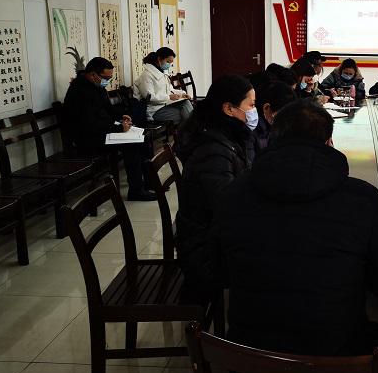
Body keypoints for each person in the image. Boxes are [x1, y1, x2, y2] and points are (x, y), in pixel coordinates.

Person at [213, 99, 378, 371]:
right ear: (329, 142)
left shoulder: (233, 195)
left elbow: (217, 270)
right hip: (337, 364)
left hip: (248, 362)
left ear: (274, 139)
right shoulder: (361, 198)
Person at [175, 75, 256, 302]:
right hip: (206, 252)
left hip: (211, 237)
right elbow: (228, 208)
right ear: (228, 109)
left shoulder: (222, 135)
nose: (254, 112)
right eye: (251, 105)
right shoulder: (213, 151)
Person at [63, 57, 156, 201]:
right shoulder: (78, 92)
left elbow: (107, 108)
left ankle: (149, 183)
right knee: (131, 145)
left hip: (102, 131)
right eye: (106, 78)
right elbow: (89, 124)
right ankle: (136, 191)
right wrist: (118, 128)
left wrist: (121, 116)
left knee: (143, 138)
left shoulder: (97, 86)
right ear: (93, 75)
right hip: (87, 138)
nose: (107, 81)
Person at [133, 47, 193, 124]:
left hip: (165, 105)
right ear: (159, 59)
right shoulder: (146, 76)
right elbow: (149, 97)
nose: (169, 65)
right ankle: (194, 130)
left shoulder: (162, 74)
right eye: (168, 61)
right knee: (185, 114)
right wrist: (168, 97)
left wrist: (182, 94)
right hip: (154, 111)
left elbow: (170, 90)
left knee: (186, 104)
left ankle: (192, 130)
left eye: (171, 63)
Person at [252, 80, 297, 158]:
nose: (285, 121)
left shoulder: (270, 127)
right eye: (283, 115)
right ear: (267, 108)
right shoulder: (253, 130)